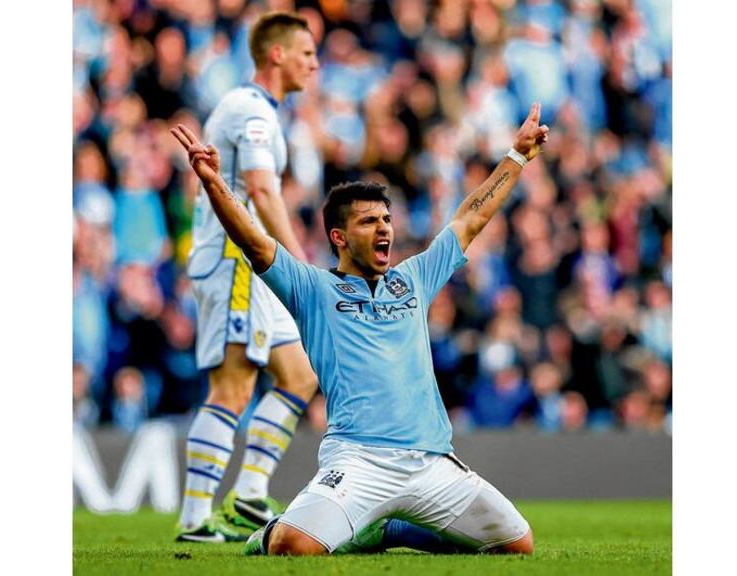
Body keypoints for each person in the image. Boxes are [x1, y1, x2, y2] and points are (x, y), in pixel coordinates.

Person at [169, 102, 548, 555]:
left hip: (431, 462)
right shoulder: (312, 287)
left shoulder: (414, 278)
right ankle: (268, 532)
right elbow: (252, 238)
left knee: (516, 544)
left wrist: (518, 156)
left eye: (386, 219)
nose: (383, 227)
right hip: (358, 460)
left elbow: (470, 218)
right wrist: (213, 183)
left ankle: (391, 530)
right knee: (294, 547)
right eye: (369, 221)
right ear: (339, 237)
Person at [176, 11, 321, 543]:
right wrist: (299, 261)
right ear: (276, 54)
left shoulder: (261, 111)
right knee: (233, 387)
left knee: (300, 376)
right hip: (240, 262)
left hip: (252, 266)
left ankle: (250, 495)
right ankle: (195, 520)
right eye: (307, 53)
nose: (315, 63)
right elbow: (261, 191)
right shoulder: (248, 110)